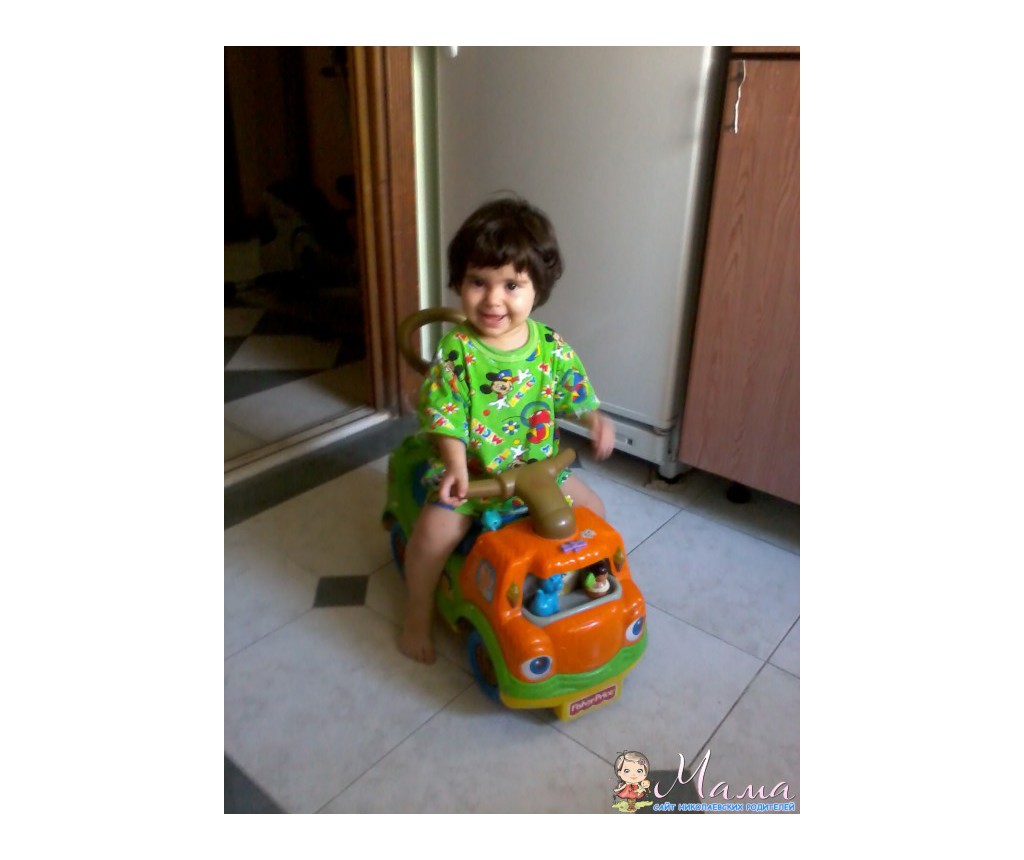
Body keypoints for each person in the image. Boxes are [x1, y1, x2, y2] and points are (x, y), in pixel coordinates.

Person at [398, 196, 615, 664]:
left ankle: (576, 584)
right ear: (459, 282)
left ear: (538, 288)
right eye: (478, 282)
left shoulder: (550, 347)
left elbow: (574, 392)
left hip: (537, 472)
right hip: (474, 476)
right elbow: (445, 414)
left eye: (512, 285)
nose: (493, 300)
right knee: (434, 535)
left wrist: (594, 420)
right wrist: (455, 466)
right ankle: (416, 611)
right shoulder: (457, 351)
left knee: (595, 513)